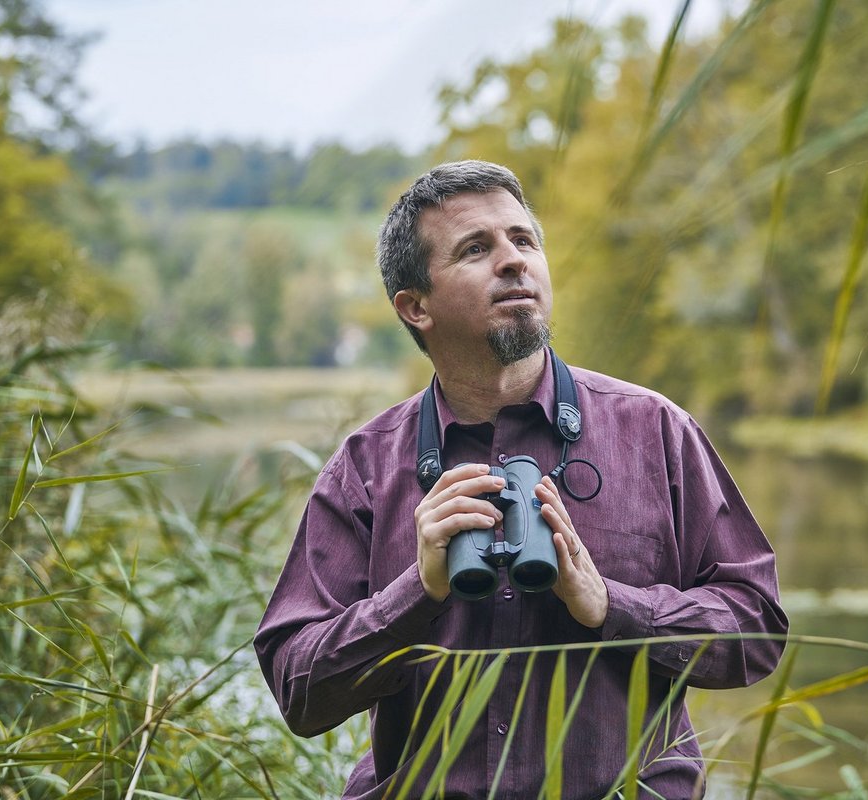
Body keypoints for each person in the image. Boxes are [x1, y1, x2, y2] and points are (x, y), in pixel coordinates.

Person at [254, 160, 789, 799]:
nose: (513, 261)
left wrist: (612, 605)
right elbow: (298, 690)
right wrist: (416, 593)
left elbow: (756, 629)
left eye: (523, 240)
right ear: (415, 306)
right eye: (476, 249)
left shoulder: (655, 433)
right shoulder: (368, 467)